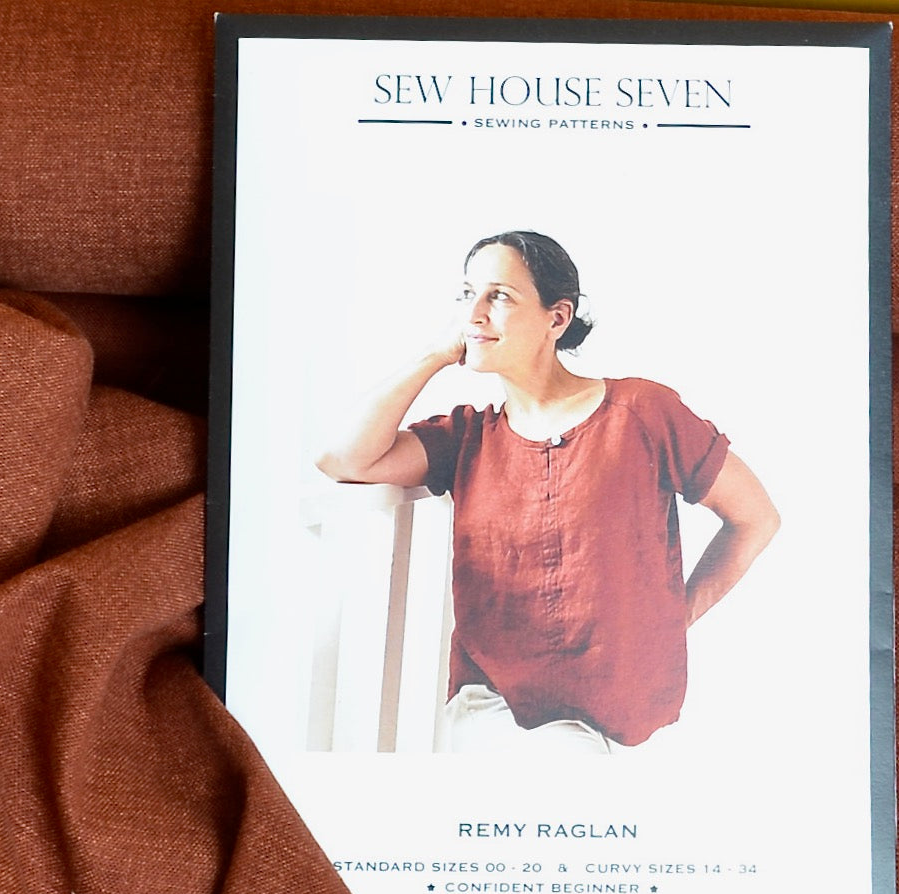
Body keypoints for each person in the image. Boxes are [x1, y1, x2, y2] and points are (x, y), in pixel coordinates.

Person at [315, 230, 780, 752]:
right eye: (467, 294)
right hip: (498, 715)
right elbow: (342, 458)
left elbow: (755, 518)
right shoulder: (466, 438)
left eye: (499, 296)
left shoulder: (642, 412)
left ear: (556, 319)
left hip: (621, 722)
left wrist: (678, 615)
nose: (474, 314)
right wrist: (433, 354)